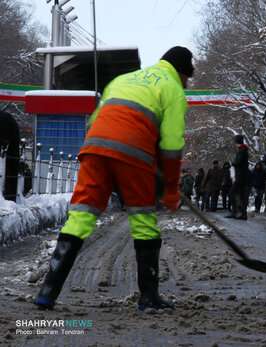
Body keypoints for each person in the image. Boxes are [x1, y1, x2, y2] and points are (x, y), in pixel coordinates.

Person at [34, 46, 194, 311]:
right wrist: (170, 188)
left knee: (81, 216)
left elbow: (96, 120)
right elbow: (172, 145)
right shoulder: (173, 89)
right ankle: (149, 297)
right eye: (187, 78)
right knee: (143, 219)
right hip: (134, 153)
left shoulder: (124, 79)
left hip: (94, 148)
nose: (186, 84)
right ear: (181, 72)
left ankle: (47, 292)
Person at [226, 134, 249, 220]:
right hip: (242, 176)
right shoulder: (243, 150)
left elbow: (237, 162)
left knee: (232, 193)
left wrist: (233, 162)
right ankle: (242, 214)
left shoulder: (242, 150)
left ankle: (235, 212)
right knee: (241, 195)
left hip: (240, 176)